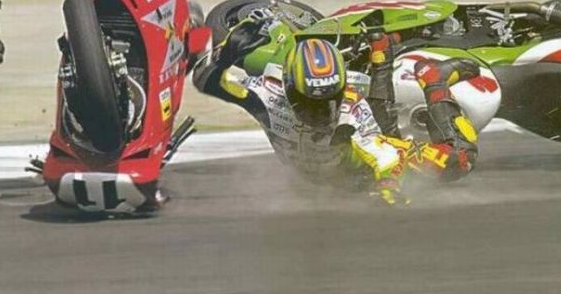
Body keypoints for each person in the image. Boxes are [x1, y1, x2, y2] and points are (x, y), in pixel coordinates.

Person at [193, 18, 481, 205]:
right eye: (310, 102)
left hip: (360, 170)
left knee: (461, 159)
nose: (321, 111)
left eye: (330, 100)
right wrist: (224, 57)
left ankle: (434, 79)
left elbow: (385, 155)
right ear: (289, 88)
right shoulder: (268, 95)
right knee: (379, 134)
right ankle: (381, 52)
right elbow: (207, 82)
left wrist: (388, 185)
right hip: (323, 176)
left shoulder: (351, 108)